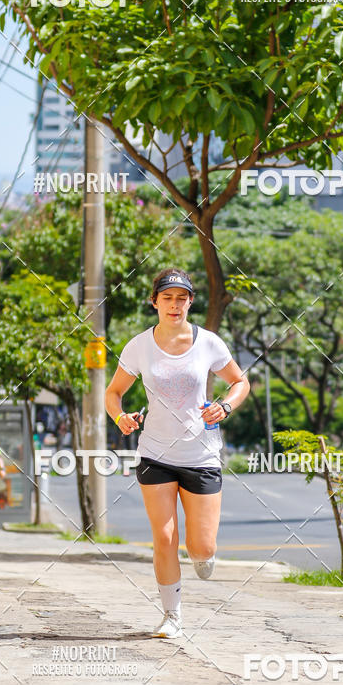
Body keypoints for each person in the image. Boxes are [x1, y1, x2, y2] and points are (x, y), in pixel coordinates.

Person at [105, 267, 250, 639]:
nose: (174, 305)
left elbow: (240, 382)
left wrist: (226, 407)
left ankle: (203, 554)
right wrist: (121, 417)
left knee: (200, 548)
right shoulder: (138, 346)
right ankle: (172, 617)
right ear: (154, 302)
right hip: (154, 452)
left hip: (201, 454)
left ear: (190, 302)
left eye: (181, 298)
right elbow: (112, 393)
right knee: (164, 537)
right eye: (167, 298)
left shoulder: (209, 343)